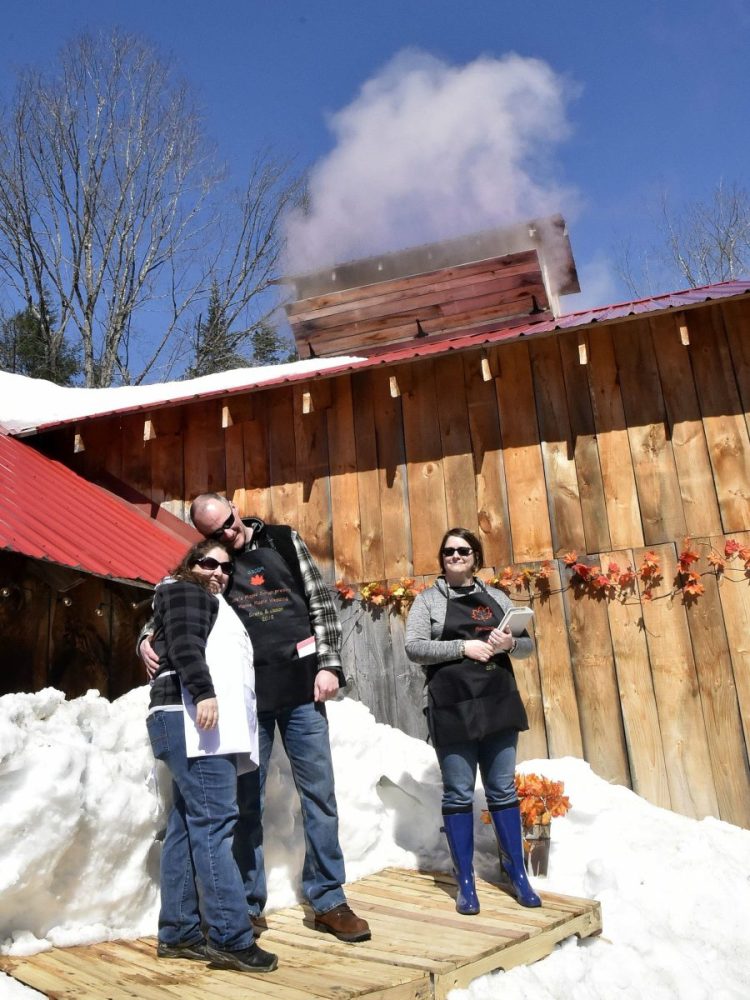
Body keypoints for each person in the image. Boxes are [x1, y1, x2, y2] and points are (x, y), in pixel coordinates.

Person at [141, 495, 370, 943]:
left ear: (233, 507)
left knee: (319, 795)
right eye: (216, 532)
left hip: (303, 690)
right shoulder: (214, 565)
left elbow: (320, 601)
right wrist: (145, 638)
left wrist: (329, 664)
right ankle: (247, 903)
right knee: (247, 802)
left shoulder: (283, 541)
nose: (229, 534)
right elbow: (172, 601)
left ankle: (329, 899)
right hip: (249, 705)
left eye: (229, 522)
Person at [146, 538, 279, 974]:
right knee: (216, 825)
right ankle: (229, 937)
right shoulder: (185, 589)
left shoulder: (207, 599)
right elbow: (184, 644)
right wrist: (203, 692)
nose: (218, 571)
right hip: (192, 718)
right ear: (190, 564)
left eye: (225, 567)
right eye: (208, 563)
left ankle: (180, 932)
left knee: (190, 823)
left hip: (194, 722)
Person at [404, 527, 541, 912]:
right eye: (448, 552)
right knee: (459, 793)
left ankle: (518, 875)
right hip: (453, 707)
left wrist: (509, 644)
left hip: (498, 703)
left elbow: (529, 646)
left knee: (502, 791)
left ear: (475, 557)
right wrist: (463, 646)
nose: (455, 556)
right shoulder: (428, 602)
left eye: (463, 550)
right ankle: (466, 882)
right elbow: (413, 647)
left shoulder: (496, 597)